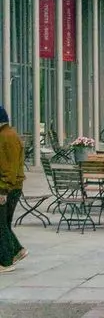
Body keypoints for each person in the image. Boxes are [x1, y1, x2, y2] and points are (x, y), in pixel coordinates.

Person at [0, 105, 22, 271]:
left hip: (8, 187)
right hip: (9, 186)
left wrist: (3, 190)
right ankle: (16, 251)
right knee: (3, 224)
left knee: (1, 225)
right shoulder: (7, 135)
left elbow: (9, 167)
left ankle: (6, 261)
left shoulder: (6, 137)